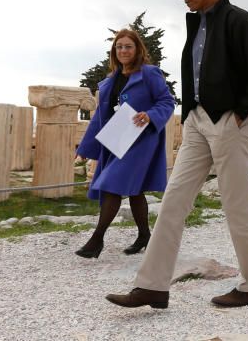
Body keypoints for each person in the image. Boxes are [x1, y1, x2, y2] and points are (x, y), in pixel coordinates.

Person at [107, 0, 248, 309]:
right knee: (173, 201)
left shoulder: (241, 20)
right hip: (197, 121)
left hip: (231, 121)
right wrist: (190, 117)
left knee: (236, 204)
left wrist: (241, 112)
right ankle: (152, 286)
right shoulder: (195, 26)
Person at [75, 29, 175, 258]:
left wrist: (150, 115)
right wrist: (85, 148)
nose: (123, 50)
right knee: (135, 190)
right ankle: (144, 235)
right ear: (114, 51)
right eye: (119, 47)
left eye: (128, 46)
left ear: (137, 49)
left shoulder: (149, 73)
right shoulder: (111, 81)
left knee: (111, 185)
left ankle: (96, 240)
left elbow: (167, 102)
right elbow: (101, 115)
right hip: (117, 139)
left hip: (141, 140)